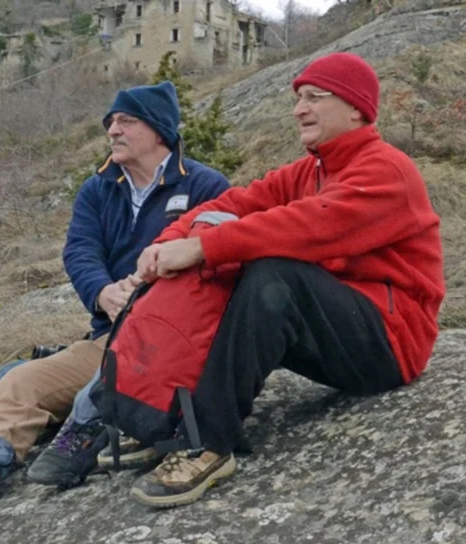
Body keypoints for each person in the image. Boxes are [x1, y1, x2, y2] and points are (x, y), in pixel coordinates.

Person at [0, 81, 230, 526]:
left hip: (167, 346)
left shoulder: (206, 185)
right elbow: (80, 251)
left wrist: (145, 294)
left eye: (126, 120)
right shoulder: (98, 189)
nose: (112, 130)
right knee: (23, 382)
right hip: (108, 336)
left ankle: (84, 426)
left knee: (101, 388)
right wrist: (102, 292)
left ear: (159, 130)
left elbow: (213, 265)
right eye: (110, 121)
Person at [124, 52, 444, 508]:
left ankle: (209, 442)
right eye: (297, 98)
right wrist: (169, 241)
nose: (299, 109)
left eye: (314, 97)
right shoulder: (310, 170)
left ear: (356, 109)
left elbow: (311, 225)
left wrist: (203, 246)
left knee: (272, 271)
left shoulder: (387, 169)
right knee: (230, 267)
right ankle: (174, 417)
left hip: (390, 343)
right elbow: (235, 203)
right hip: (338, 331)